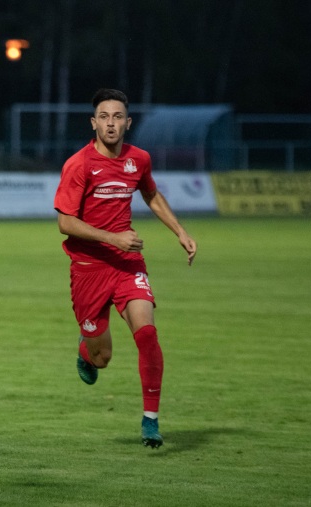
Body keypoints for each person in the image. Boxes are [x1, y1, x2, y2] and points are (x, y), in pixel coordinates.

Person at [53, 88, 197, 449]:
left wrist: (179, 230)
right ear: (93, 123)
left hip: (128, 264)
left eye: (118, 117)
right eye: (104, 116)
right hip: (88, 268)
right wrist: (112, 238)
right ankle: (86, 350)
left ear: (128, 122)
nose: (111, 123)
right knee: (102, 358)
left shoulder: (140, 159)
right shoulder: (79, 164)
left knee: (147, 334)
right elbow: (66, 223)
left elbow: (150, 193)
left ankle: (151, 420)